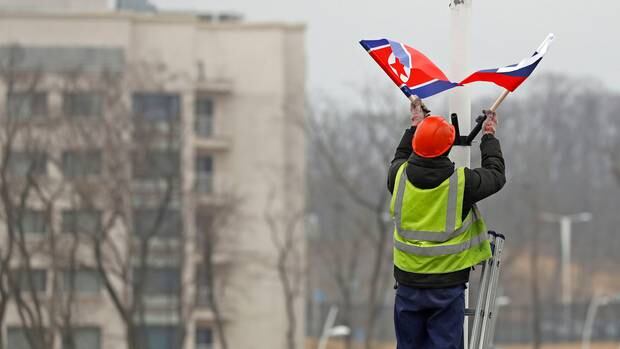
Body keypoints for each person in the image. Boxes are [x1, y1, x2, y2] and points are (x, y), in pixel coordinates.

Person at [387, 97, 506, 349]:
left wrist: (415, 125)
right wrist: (489, 136)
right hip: (446, 286)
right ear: (447, 147)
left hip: (408, 284)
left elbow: (400, 155)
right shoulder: (462, 184)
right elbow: (495, 175)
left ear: (417, 143)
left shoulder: (398, 176)